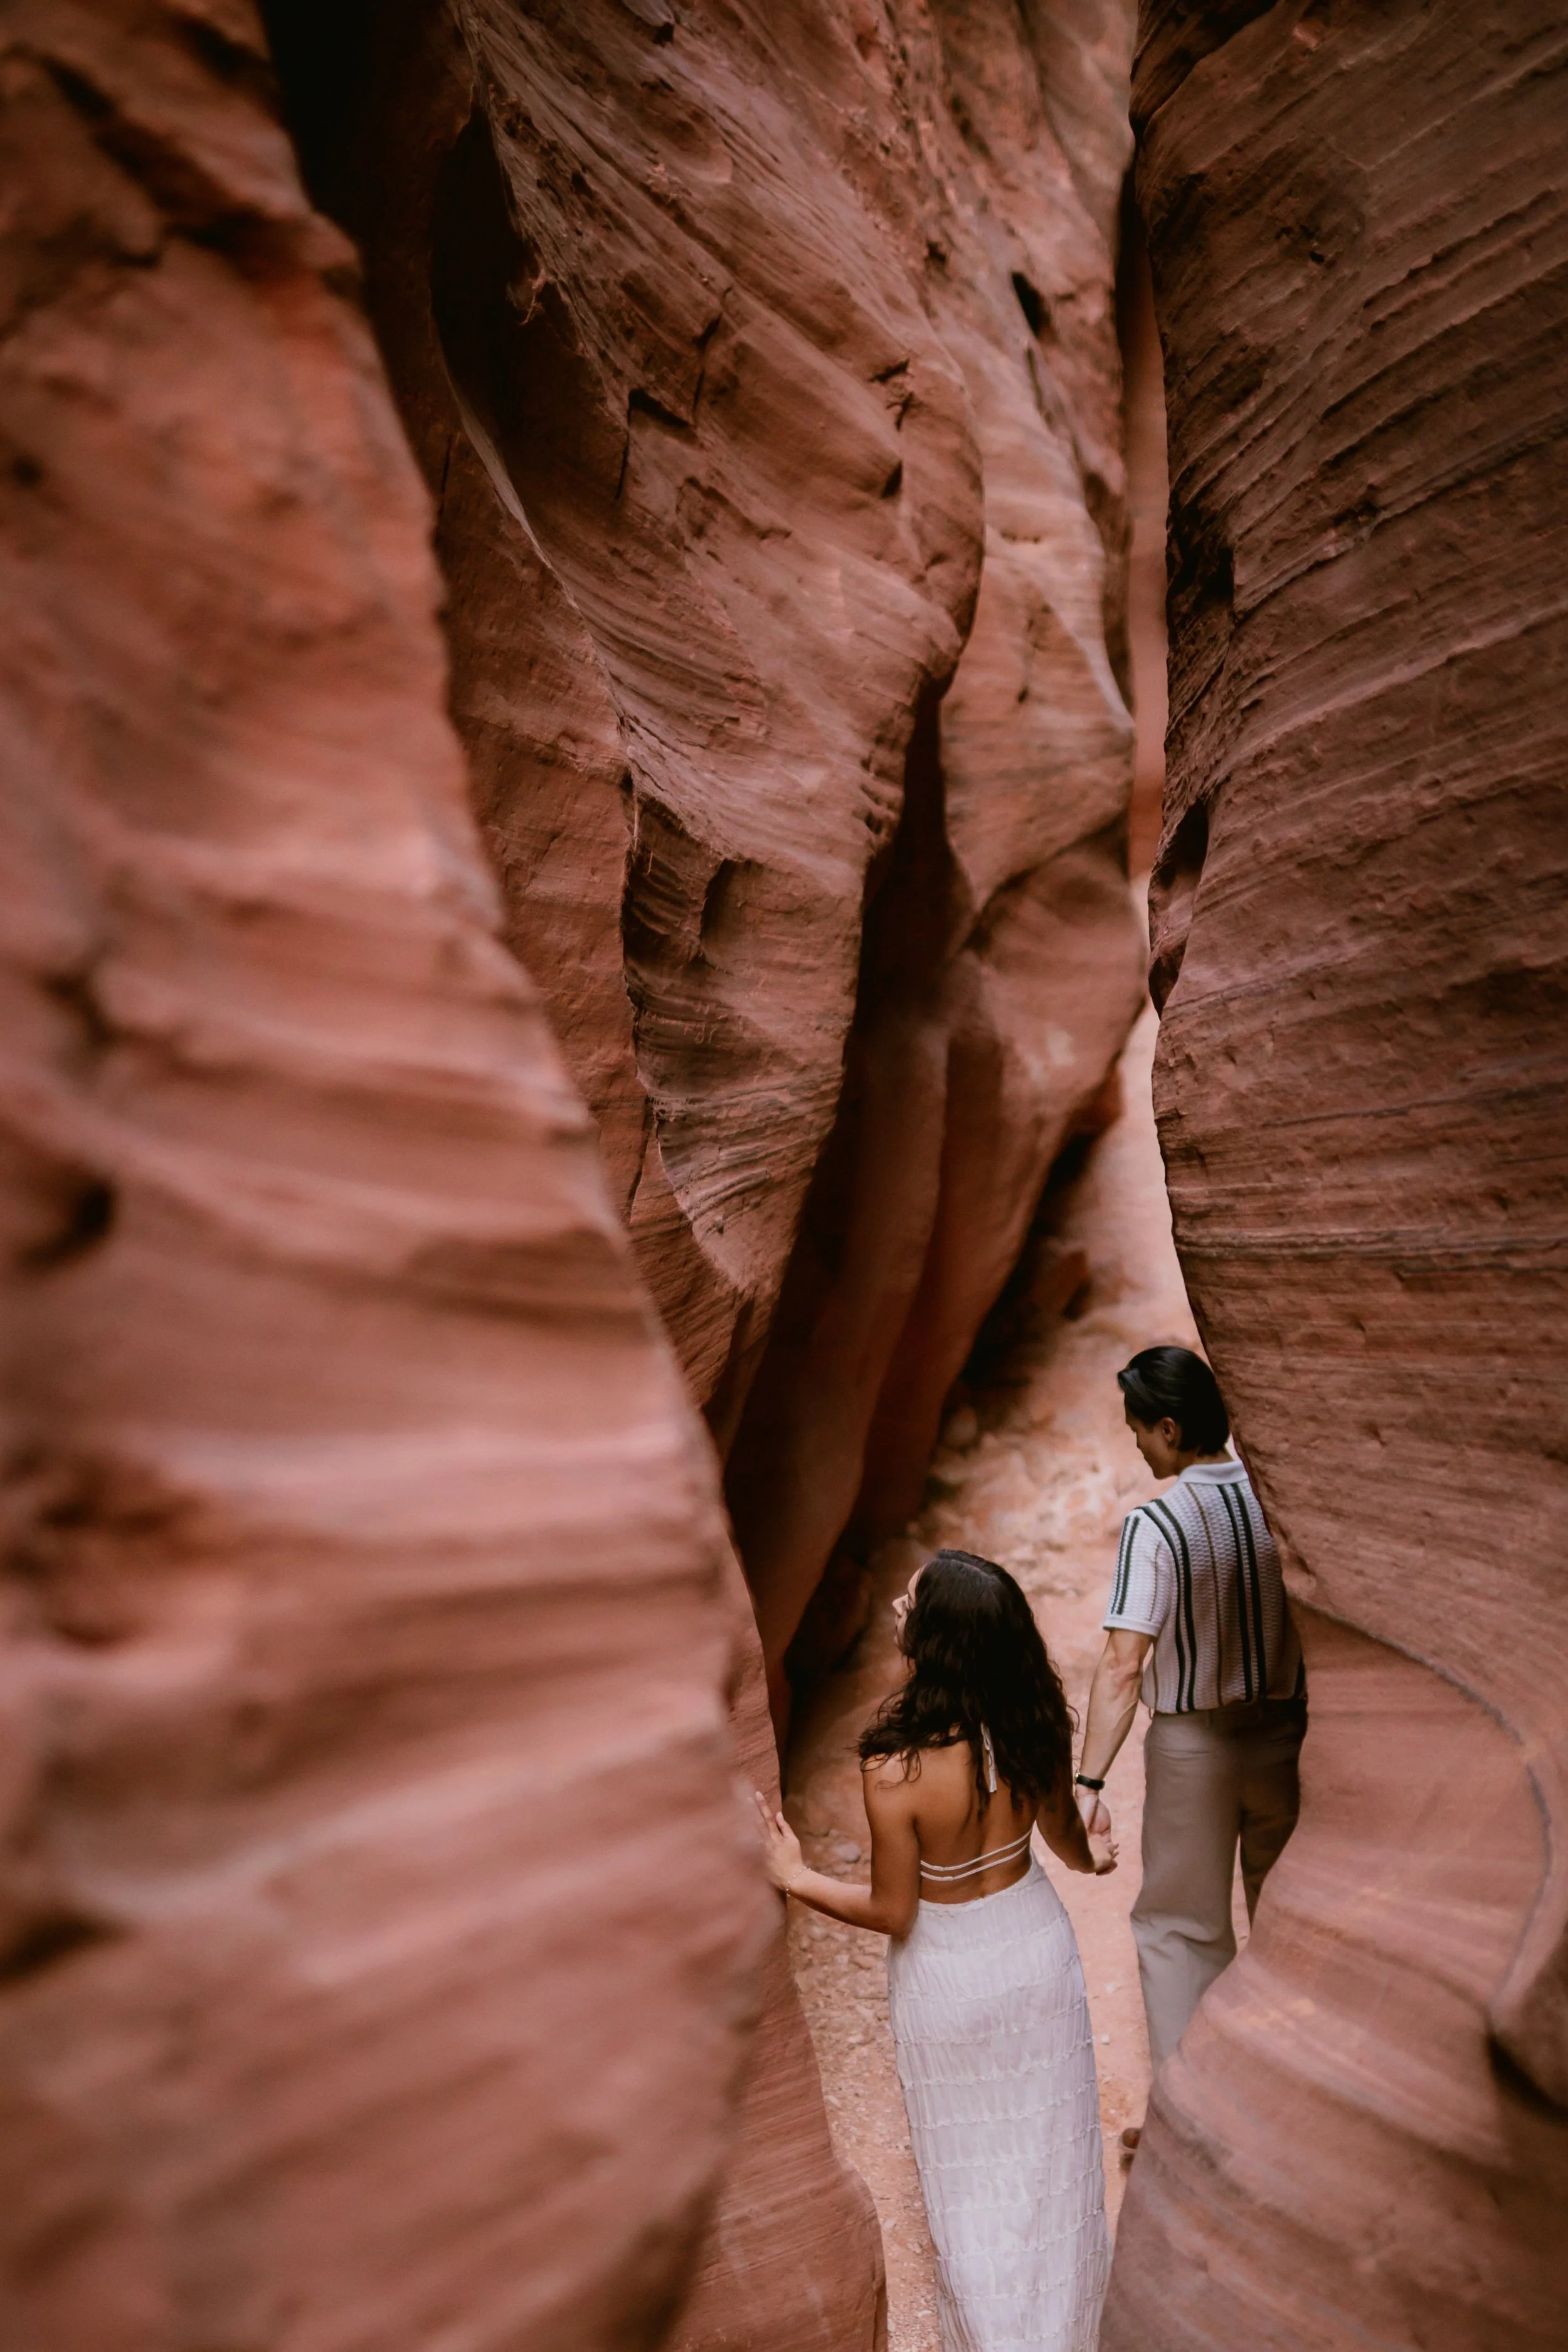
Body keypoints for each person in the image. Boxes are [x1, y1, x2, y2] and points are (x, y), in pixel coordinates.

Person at [758, 1549, 1116, 2352]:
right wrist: (1098, 1853)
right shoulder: (1035, 1724)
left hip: (949, 1976)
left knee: (971, 2184)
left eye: (910, 1598)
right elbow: (1067, 1844)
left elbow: (894, 1911)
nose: (894, 1602)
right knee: (1048, 2173)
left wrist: (796, 1876)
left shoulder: (895, 1765)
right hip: (1032, 1951)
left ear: (939, 1637)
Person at [1074, 1347, 1305, 2150]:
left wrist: (1088, 1778)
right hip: (1285, 1738)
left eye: (1139, 1429)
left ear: (1170, 1429)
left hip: (1194, 1751)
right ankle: (1292, 2110)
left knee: (1180, 1930)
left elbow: (1123, 1661)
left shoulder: (1156, 1523)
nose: (1137, 1444)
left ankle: (1194, 2129)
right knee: (1285, 1924)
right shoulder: (1278, 1496)